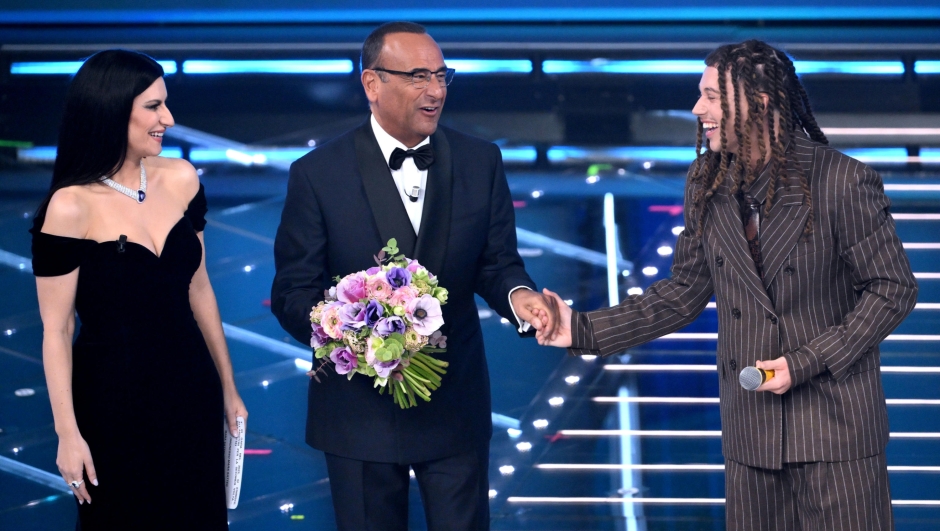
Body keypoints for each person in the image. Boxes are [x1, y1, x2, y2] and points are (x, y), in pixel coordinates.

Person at [537, 40, 917, 530]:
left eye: (711, 96)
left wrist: (804, 362)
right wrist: (581, 329)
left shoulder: (841, 180)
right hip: (751, 434)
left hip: (835, 432)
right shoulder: (706, 181)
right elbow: (682, 292)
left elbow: (893, 288)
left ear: (758, 102)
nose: (698, 109)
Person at [271, 21, 558, 531]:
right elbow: (293, 291)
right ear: (371, 84)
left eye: (444, 76)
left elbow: (497, 264)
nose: (436, 91)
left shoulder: (480, 160)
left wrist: (521, 298)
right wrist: (350, 331)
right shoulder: (317, 174)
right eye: (419, 76)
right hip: (358, 414)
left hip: (455, 404)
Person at [30, 49, 247, 529]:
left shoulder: (183, 178)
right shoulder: (69, 208)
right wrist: (68, 434)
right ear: (111, 109)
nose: (167, 119)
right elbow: (57, 329)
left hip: (190, 389)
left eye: (165, 105)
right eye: (153, 107)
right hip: (111, 403)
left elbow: (201, 289)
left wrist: (228, 387)